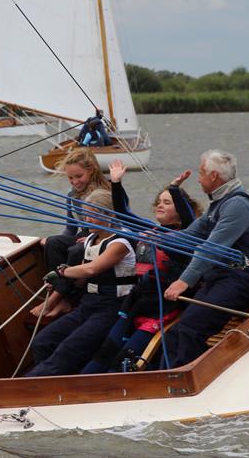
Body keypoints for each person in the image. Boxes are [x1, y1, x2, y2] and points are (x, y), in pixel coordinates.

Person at [81, 160, 201, 373]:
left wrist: (174, 188)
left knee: (125, 359)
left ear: (181, 210)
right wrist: (116, 183)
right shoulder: (150, 230)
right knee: (105, 352)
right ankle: (81, 385)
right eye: (159, 201)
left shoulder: (185, 238)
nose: (160, 205)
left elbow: (190, 221)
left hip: (162, 309)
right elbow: (123, 213)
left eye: (168, 202)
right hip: (136, 303)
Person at [162, 149, 249, 368]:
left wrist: (184, 281)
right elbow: (189, 236)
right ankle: (165, 377)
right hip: (217, 277)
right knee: (175, 333)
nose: (198, 179)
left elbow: (212, 248)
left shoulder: (238, 205)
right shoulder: (218, 203)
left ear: (214, 177)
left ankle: (188, 383)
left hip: (239, 280)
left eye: (201, 173)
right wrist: (151, 237)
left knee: (192, 328)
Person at [26, 189, 137, 376]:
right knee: (42, 342)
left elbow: (92, 269)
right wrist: (58, 284)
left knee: (67, 350)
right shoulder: (90, 240)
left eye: (92, 215)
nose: (86, 219)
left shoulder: (120, 242)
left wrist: (61, 272)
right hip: (88, 304)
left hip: (112, 308)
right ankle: (48, 384)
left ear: (109, 215)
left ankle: (32, 385)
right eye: (85, 214)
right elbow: (83, 279)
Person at [30, 148, 110, 318]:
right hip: (84, 234)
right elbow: (70, 227)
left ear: (92, 170)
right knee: (52, 242)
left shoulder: (106, 192)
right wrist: (55, 238)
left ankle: (58, 297)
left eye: (79, 176)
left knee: (76, 251)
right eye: (70, 178)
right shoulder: (72, 196)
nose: (74, 181)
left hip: (104, 236)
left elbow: (116, 223)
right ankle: (61, 297)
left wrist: (91, 238)